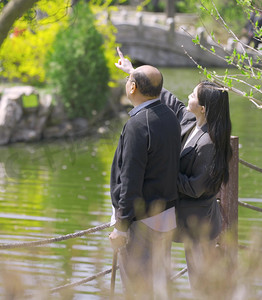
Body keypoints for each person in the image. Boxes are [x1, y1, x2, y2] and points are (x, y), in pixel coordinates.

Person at [115, 48, 233, 294]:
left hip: (199, 223)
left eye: (193, 94)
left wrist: (163, 173)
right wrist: (132, 71)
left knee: (202, 284)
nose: (187, 96)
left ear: (203, 108)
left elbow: (196, 186)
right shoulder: (190, 121)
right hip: (180, 217)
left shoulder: (210, 142)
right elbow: (162, 98)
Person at [108, 59, 181, 299]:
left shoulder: (138, 125)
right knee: (157, 286)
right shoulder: (169, 117)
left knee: (137, 288)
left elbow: (131, 179)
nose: (127, 83)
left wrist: (121, 226)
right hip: (165, 217)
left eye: (129, 80)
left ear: (132, 88)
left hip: (142, 224)